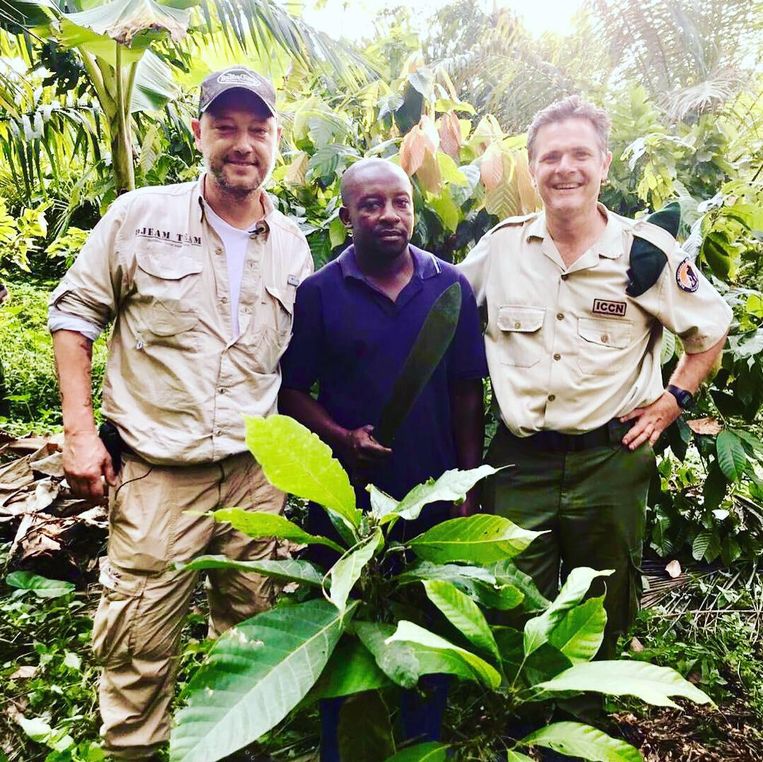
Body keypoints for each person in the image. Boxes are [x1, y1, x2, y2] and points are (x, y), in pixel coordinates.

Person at [48, 67, 313, 759]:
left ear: (275, 139)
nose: (242, 143)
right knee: (138, 638)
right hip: (160, 472)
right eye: (225, 127)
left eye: (257, 129)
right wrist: (79, 433)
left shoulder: (292, 242)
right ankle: (136, 750)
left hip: (257, 472)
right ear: (198, 132)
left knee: (252, 632)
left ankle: (235, 746)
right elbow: (74, 317)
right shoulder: (140, 216)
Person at [459, 95, 732, 659]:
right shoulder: (501, 249)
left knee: (600, 600)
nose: (565, 169)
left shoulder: (646, 253)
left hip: (609, 459)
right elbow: (440, 313)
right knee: (512, 594)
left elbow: (709, 330)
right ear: (531, 169)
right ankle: (524, 717)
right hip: (521, 459)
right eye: (551, 157)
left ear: (604, 164)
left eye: (580, 154)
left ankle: (580, 726)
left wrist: (672, 401)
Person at [279, 158, 487, 756]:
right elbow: (293, 392)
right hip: (349, 502)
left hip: (433, 492)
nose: (388, 215)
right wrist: (343, 438)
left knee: (430, 627)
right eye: (371, 204)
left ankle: (422, 741)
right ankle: (340, 746)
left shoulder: (450, 286)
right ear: (346, 215)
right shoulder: (319, 294)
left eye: (400, 202)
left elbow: (466, 389)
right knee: (349, 633)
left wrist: (466, 482)